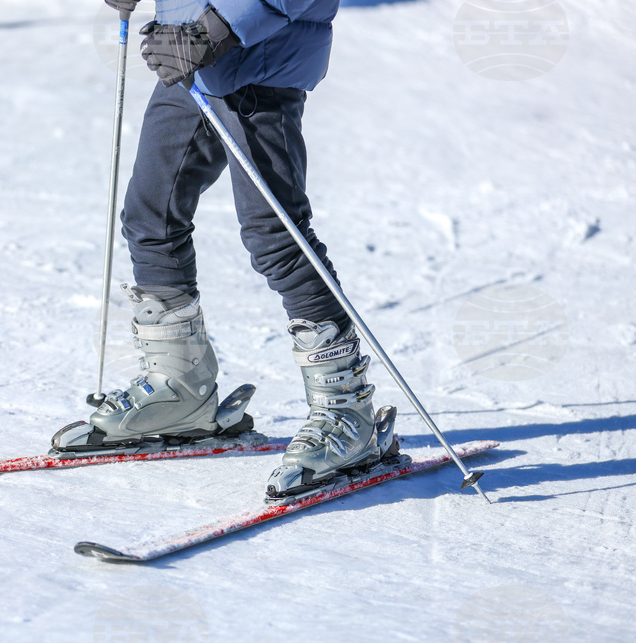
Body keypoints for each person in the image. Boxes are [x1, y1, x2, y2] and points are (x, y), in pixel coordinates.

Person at [53, 0, 398, 499]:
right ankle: (180, 389)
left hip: (258, 59)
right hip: (187, 55)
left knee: (276, 234)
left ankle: (346, 411)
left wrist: (216, 29)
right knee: (150, 215)